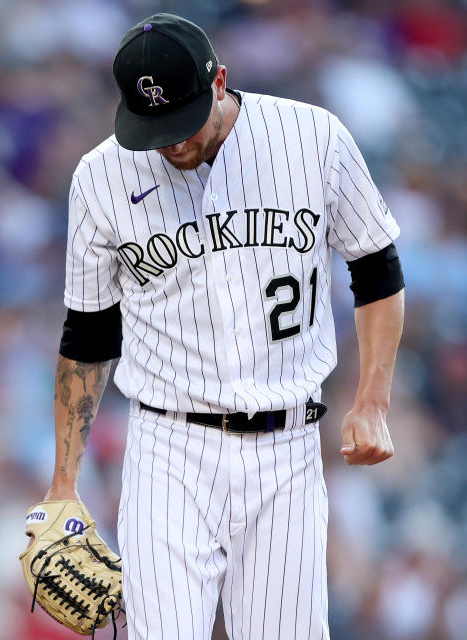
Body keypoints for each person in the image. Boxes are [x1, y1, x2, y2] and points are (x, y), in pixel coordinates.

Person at [39, 12, 404, 639]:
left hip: (287, 445)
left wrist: (372, 401)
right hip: (167, 449)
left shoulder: (311, 137)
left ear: (219, 83)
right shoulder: (100, 176)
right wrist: (63, 484)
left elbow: (377, 269)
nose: (171, 143)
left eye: (181, 122)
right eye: (152, 129)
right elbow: (89, 335)